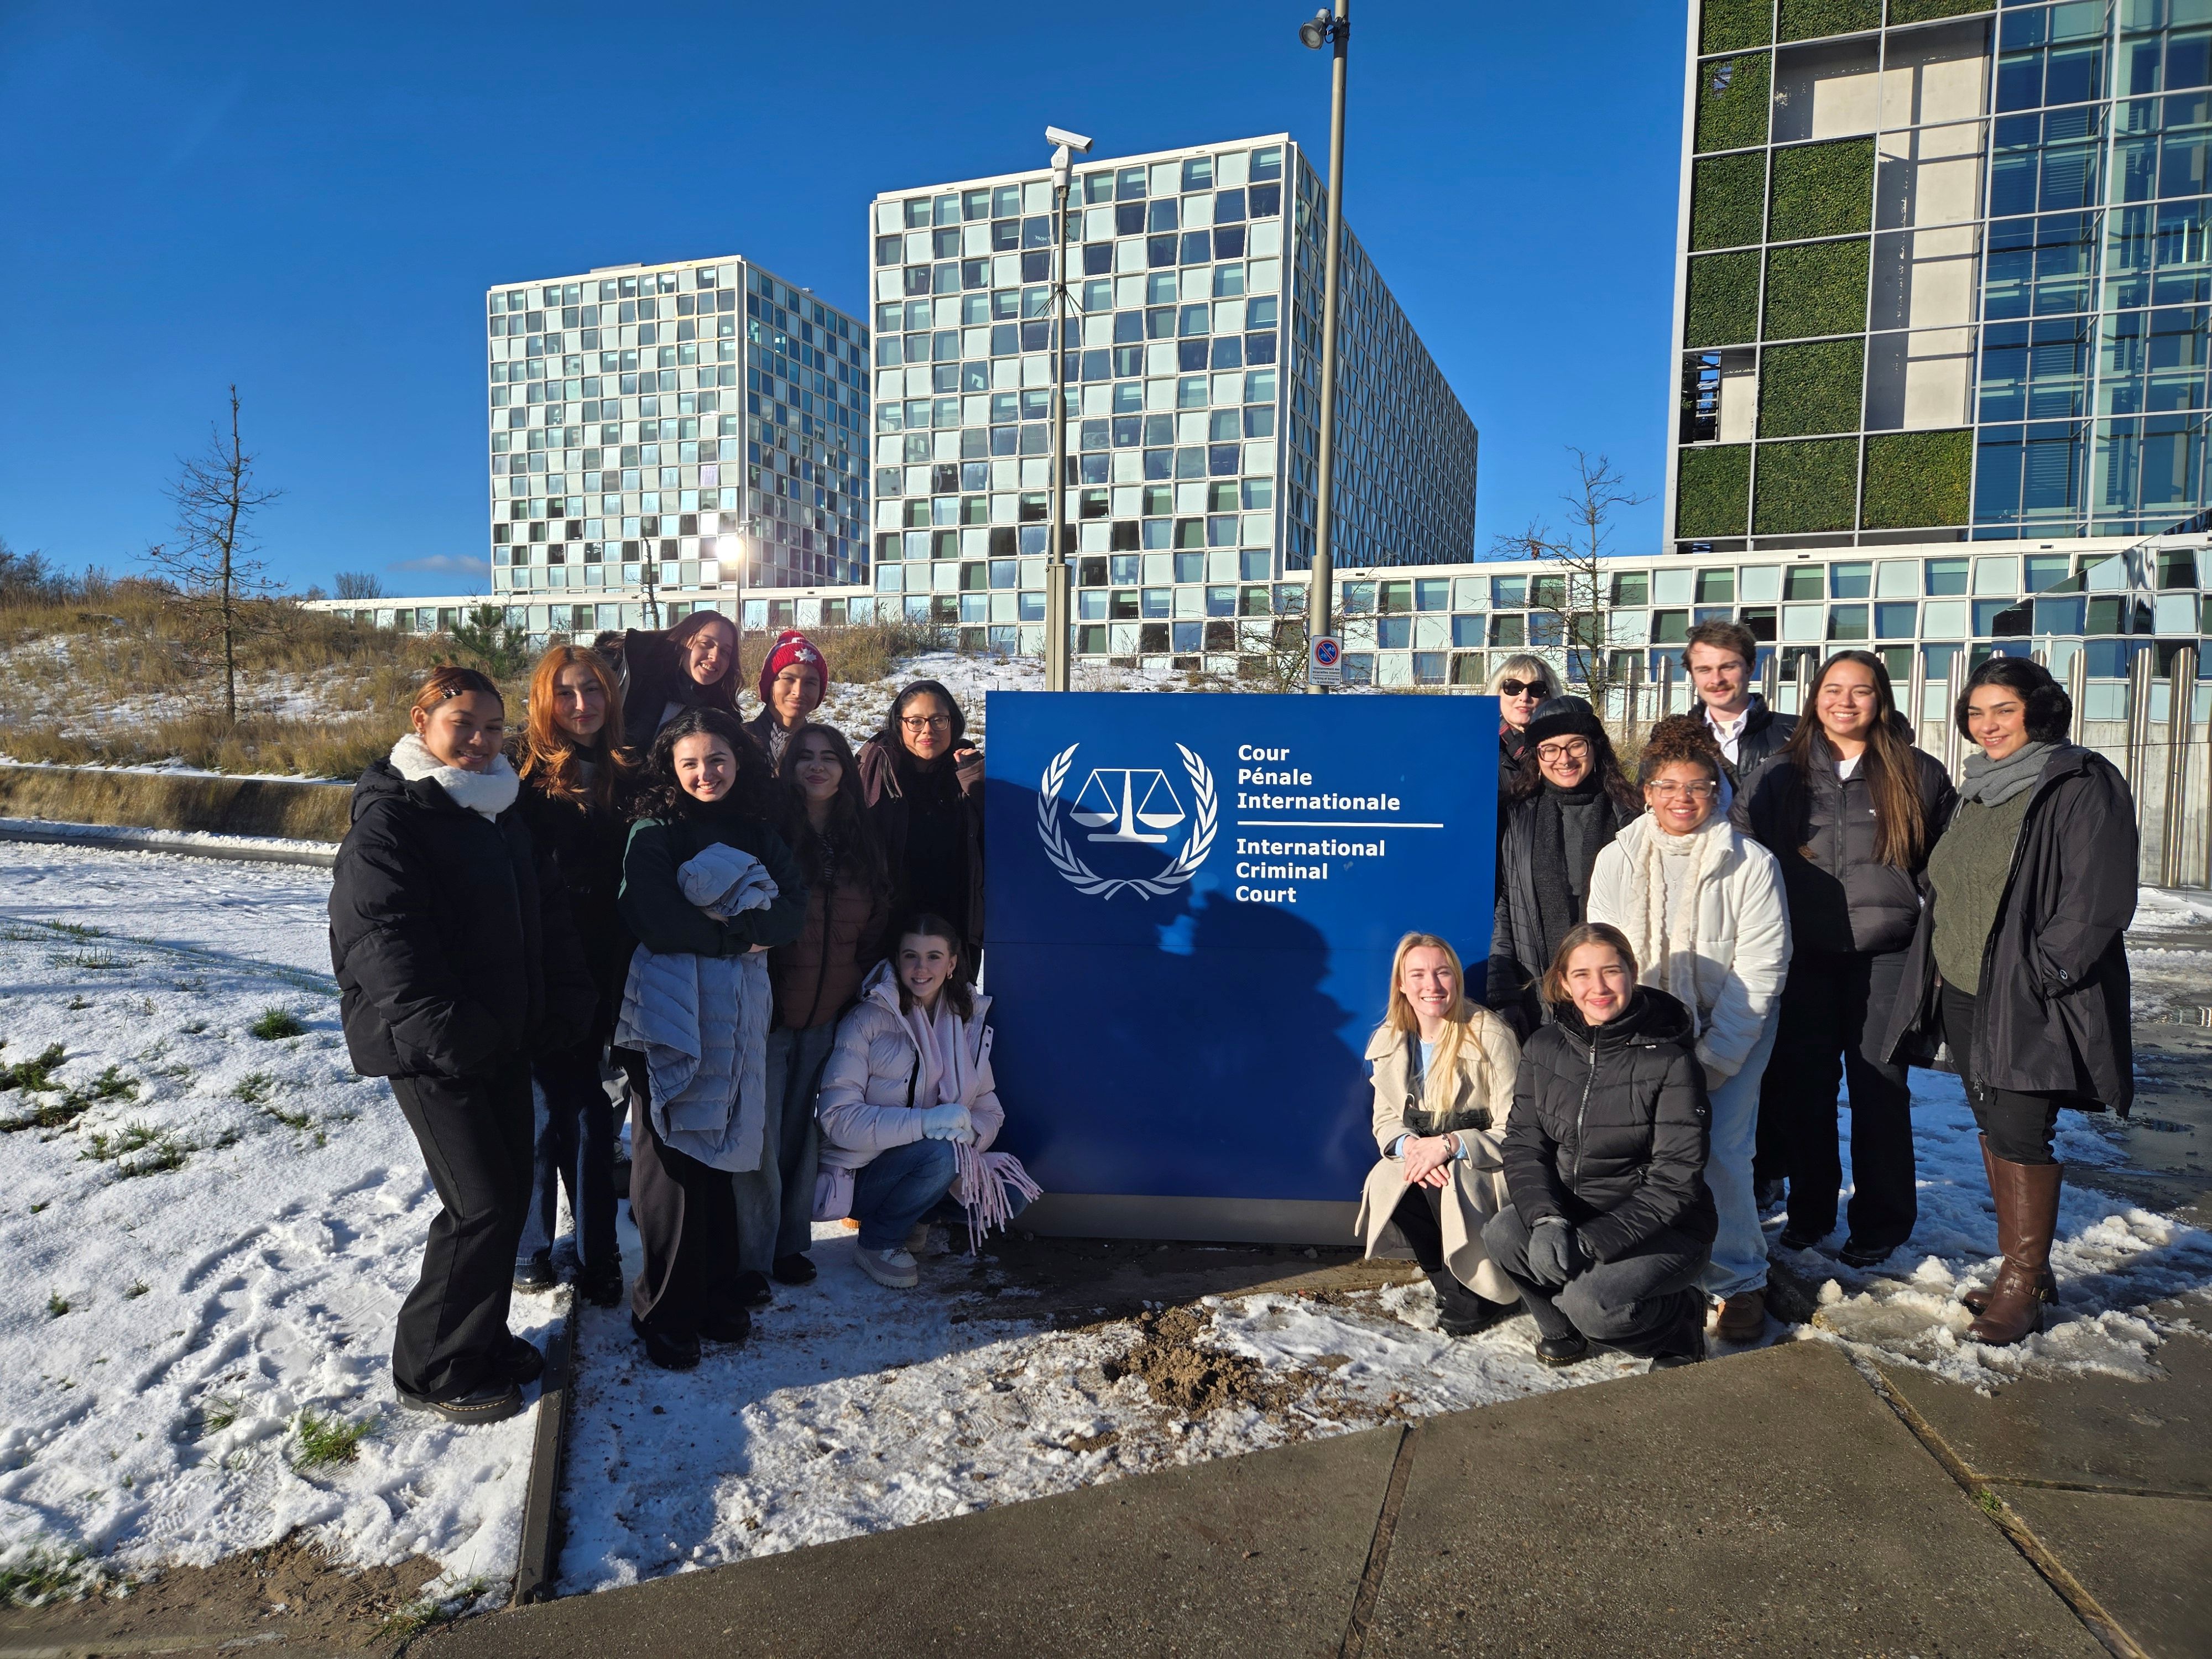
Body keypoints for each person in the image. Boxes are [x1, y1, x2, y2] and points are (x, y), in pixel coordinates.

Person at [328, 666, 594, 1423]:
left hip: (500, 1038)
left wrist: (561, 1001)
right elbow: (383, 946)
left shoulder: (500, 809)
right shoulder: (394, 818)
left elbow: (544, 917)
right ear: (422, 722)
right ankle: (435, 1368)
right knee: (479, 1205)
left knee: (507, 1198)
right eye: (463, 725)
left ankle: (478, 1338)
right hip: (433, 1049)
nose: (479, 742)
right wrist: (455, 1035)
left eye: (492, 729)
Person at [1884, 658, 2137, 1345]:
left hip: (2027, 995)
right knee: (1996, 1124)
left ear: (2038, 710)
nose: (1987, 725)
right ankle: (2023, 1268)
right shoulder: (1979, 788)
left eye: (2002, 710)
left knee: (2023, 1129)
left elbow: (2097, 899)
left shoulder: (2079, 781)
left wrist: (2043, 977)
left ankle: (2023, 1284)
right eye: (1976, 712)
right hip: (1965, 989)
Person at [1733, 649, 1956, 1267]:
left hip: (1886, 956)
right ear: (1815, 698)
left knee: (1879, 1089)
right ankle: (1809, 1212)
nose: (1845, 701)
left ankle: (1880, 1223)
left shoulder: (1917, 773)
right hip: (1801, 957)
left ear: (1880, 700)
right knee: (1803, 1092)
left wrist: (1934, 953)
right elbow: (1742, 857)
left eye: (1860, 691)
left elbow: (1946, 872)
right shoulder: (1779, 774)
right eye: (1833, 689)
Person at [614, 708, 807, 1370]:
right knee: (671, 1160)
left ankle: (717, 1289)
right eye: (691, 762)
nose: (706, 773)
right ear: (671, 766)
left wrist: (728, 925)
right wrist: (733, 935)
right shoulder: (655, 830)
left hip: (737, 1011)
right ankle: (664, 1308)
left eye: (718, 759)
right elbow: (653, 916)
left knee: (725, 1147)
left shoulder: (758, 829)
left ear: (739, 760)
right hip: (668, 1010)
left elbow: (789, 911)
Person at [1587, 717, 1790, 1343]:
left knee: (1722, 1152)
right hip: (1645, 1029)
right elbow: (1604, 956)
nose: (1682, 798)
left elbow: (1760, 969)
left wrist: (1715, 1060)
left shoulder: (1749, 864)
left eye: (1697, 786)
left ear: (1717, 791)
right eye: (1668, 785)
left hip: (1734, 1023)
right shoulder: (1617, 857)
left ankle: (1739, 1279)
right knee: (1647, 1152)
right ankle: (1659, 1266)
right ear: (1646, 789)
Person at [1482, 924, 1714, 1370]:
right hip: (1573, 1209)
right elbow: (1524, 1143)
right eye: (1583, 975)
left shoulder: (1670, 1060)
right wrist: (1547, 1219)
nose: (1599, 987)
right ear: (1564, 984)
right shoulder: (1543, 1047)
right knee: (1504, 1233)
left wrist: (1588, 1245)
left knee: (1593, 1305)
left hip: (1666, 1228)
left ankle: (1680, 1323)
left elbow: (1677, 1181)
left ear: (1632, 972)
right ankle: (1561, 1330)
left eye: (1611, 971)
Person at [509, 645, 633, 1306]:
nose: (582, 704)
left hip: (610, 968)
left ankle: (596, 1248)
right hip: (540, 967)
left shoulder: (626, 768)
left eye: (592, 690)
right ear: (544, 701)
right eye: (567, 693)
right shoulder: (519, 773)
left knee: (591, 1116)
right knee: (538, 1115)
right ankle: (530, 1245)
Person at [748, 723, 893, 1288]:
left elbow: (876, 920)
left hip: (830, 1012)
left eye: (829, 757)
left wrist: (853, 982)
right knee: (759, 1139)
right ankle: (752, 1255)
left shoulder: (862, 840)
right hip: (771, 1011)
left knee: (801, 1135)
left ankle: (789, 1244)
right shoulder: (769, 834)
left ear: (846, 770)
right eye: (804, 757)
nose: (817, 767)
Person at [815, 916, 1013, 1289]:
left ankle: (914, 1215)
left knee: (1008, 1195)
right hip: (862, 1174)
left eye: (934, 957)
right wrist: (926, 1123)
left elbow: (990, 1108)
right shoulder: (866, 1020)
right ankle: (878, 1241)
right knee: (939, 1155)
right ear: (897, 960)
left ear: (952, 963)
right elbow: (837, 1119)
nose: (922, 969)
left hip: (929, 1161)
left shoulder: (964, 1021)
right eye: (911, 956)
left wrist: (970, 1132)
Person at [1353, 933, 1522, 1335]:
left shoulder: (1492, 1036)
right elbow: (1385, 1122)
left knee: (1445, 1182)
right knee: (1391, 1180)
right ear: (1402, 984)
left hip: (1482, 1161)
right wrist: (1411, 1148)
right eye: (1419, 974)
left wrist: (1450, 1146)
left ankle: (1482, 1295)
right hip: (1424, 1153)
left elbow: (1514, 1129)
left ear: (1456, 979)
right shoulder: (1392, 1040)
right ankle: (1447, 1283)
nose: (1432, 985)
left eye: (1442, 972)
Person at [1485, 695, 1642, 1036]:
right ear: (1537, 756)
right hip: (1537, 995)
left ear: (1596, 748)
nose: (1564, 759)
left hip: (1614, 995)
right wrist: (1504, 994)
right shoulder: (1516, 817)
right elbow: (1506, 909)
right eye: (1550, 749)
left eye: (1576, 746)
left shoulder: (1631, 818)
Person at [858, 680, 985, 971]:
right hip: (887, 929)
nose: (927, 730)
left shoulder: (968, 773)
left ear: (954, 723)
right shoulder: (876, 771)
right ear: (898, 724)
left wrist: (975, 778)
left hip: (954, 928)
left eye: (939, 720)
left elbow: (1002, 841)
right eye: (915, 721)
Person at [592, 609, 742, 752]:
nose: (715, 657)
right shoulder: (627, 671)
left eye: (725, 652)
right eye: (706, 644)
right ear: (684, 641)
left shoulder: (721, 717)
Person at [1684, 620, 1795, 792]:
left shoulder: (1797, 734)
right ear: (1693, 675)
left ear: (1750, 667)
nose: (1717, 679)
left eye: (1728, 667)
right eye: (1704, 670)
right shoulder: (1671, 740)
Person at [1485, 654, 1561, 811]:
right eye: (1513, 687)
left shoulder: (1564, 749)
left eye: (1536, 689)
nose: (1524, 697)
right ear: (1497, 694)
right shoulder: (1478, 746)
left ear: (1547, 697)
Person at [744, 629, 828, 768]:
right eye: (789, 679)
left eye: (810, 683)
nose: (799, 692)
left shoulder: (827, 748)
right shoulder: (739, 742)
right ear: (770, 684)